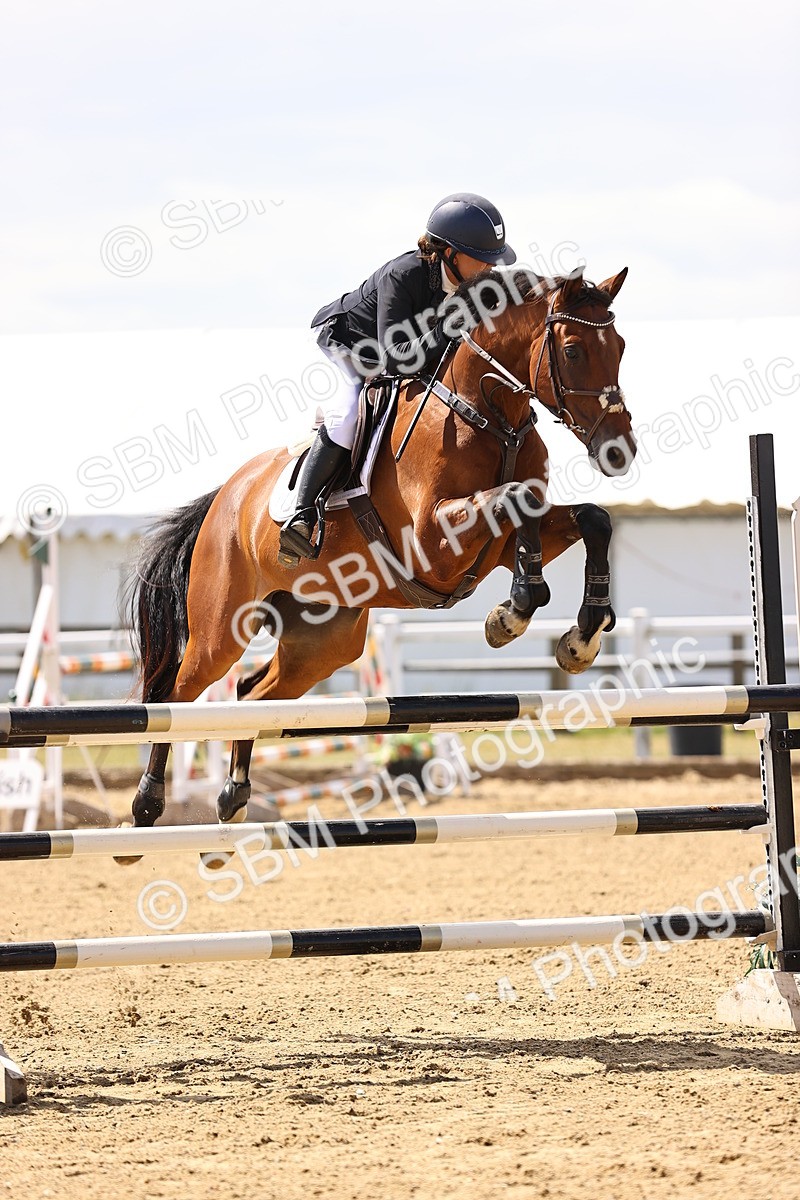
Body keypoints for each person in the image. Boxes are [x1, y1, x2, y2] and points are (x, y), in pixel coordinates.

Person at [278, 192, 516, 567]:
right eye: (484, 260)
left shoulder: (473, 285)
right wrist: (448, 331)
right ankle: (301, 515)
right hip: (350, 342)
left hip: (398, 351)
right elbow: (397, 356)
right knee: (350, 409)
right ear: (450, 253)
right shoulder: (404, 274)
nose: (491, 268)